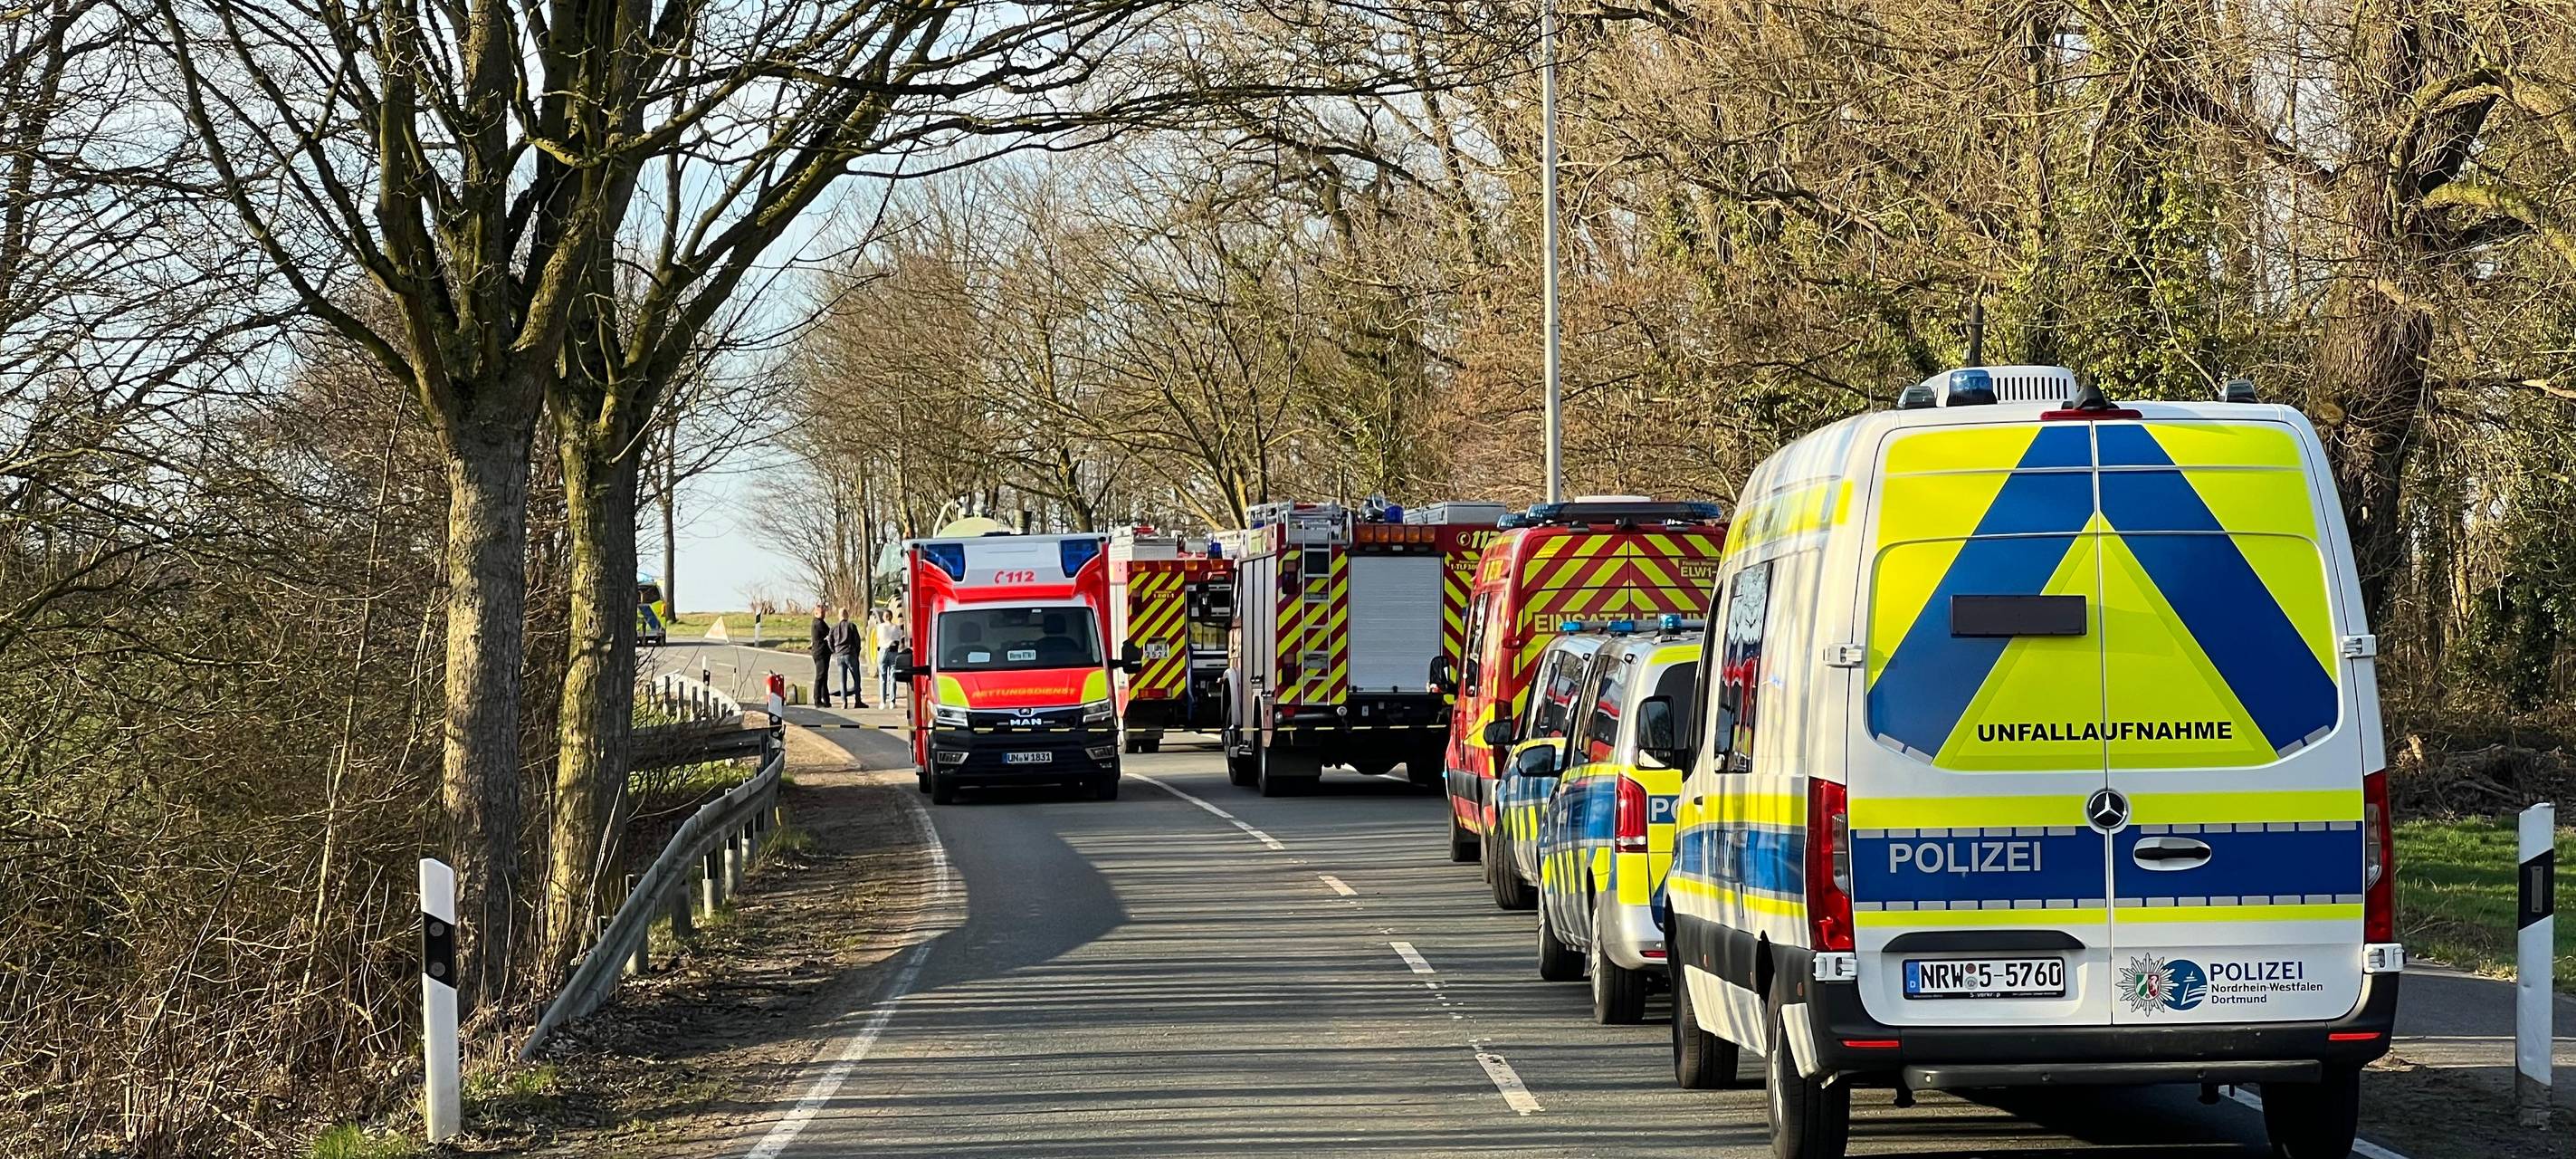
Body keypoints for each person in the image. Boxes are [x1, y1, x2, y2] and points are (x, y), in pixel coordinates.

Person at [830, 607, 869, 708]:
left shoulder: (834, 628)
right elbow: (857, 641)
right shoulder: (851, 626)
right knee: (856, 678)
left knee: (842, 680)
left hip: (839, 655)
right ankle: (858, 701)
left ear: (839, 616)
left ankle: (844, 702)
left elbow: (830, 641)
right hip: (850, 653)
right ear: (847, 615)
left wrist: (834, 651)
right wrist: (856, 652)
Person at [875, 609, 909, 704]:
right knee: (893, 677)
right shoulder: (897, 627)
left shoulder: (880, 627)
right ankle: (892, 702)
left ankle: (882, 701)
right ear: (891, 617)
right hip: (894, 652)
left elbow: (878, 638)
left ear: (884, 617)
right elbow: (899, 638)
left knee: (883, 677)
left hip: (882, 651)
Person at [807, 603, 833, 706]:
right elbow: (829, 633)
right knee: (820, 676)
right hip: (820, 652)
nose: (823, 614)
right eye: (821, 612)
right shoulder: (818, 623)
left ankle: (826, 700)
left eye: (824, 612)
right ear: (816, 613)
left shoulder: (820, 622)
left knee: (824, 677)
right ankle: (817, 700)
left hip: (822, 652)